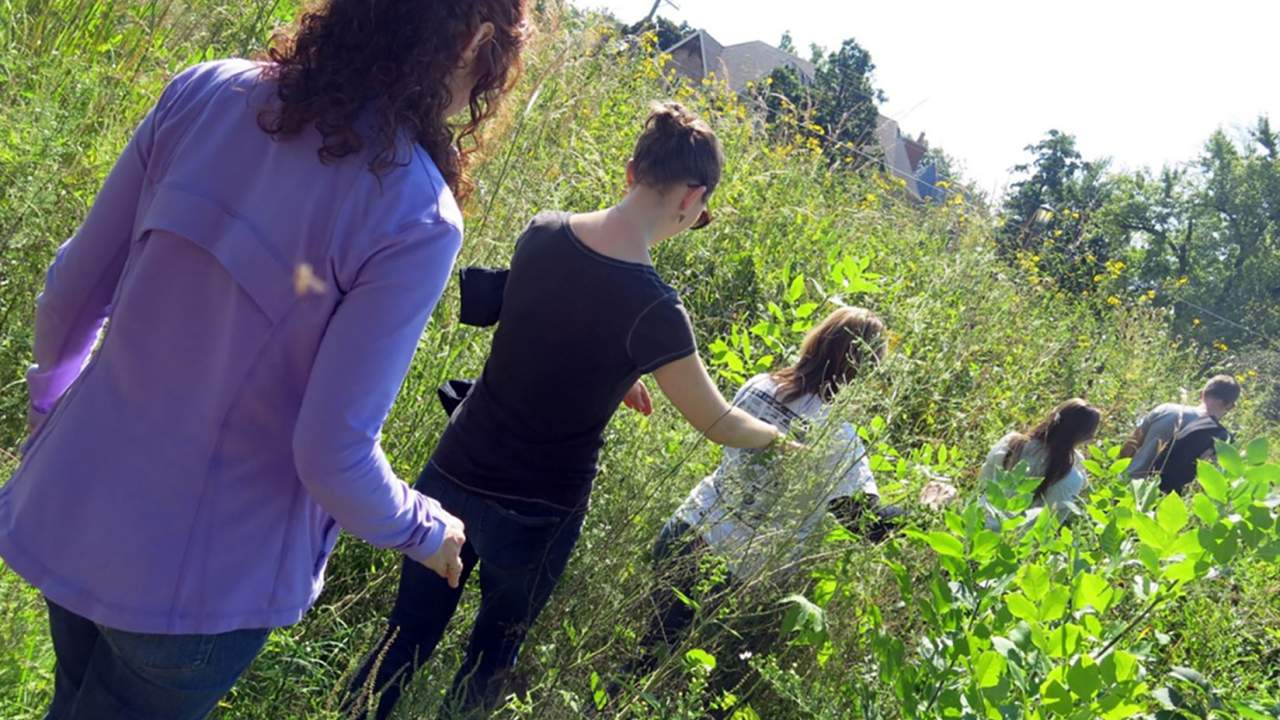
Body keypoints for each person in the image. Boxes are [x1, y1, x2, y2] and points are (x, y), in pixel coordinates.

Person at [0, 2, 529, 718]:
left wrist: (46, 415)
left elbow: (69, 292)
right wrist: (426, 530)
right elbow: (330, 453)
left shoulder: (204, 91)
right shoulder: (415, 213)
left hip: (78, 503)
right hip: (199, 588)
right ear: (476, 42)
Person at [345, 102, 788, 720]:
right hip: (537, 512)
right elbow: (716, 421)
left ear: (631, 170)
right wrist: (779, 437)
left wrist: (618, 371)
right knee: (489, 662)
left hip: (451, 476)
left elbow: (546, 324)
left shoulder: (543, 231)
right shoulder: (655, 310)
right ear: (692, 196)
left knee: (405, 636)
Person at [634, 306, 902, 675]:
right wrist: (927, 507)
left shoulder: (760, 385)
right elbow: (867, 525)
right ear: (863, 372)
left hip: (685, 528)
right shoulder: (838, 438)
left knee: (645, 657)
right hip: (728, 571)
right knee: (661, 680)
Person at [979, 399, 1101, 528]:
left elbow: (983, 481)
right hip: (1014, 541)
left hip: (978, 523)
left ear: (1053, 416)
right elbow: (1051, 524)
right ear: (1087, 437)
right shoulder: (1071, 478)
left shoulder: (1011, 442)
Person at [1120, 375, 1240, 494]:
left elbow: (1131, 445)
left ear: (1202, 394)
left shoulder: (1166, 409)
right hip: (1161, 500)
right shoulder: (1221, 439)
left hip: (1128, 487)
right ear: (1231, 406)